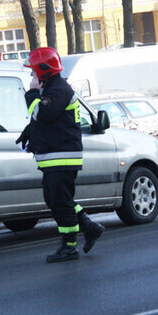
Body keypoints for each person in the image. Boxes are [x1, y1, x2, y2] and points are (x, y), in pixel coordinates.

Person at [16, 47, 104, 263]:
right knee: (56, 199)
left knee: (61, 201)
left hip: (62, 156)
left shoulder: (58, 89)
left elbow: (43, 113)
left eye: (33, 71)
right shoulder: (52, 88)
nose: (31, 76)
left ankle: (69, 246)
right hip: (54, 156)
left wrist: (32, 93)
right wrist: (30, 133)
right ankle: (88, 226)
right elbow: (47, 120)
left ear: (43, 71)